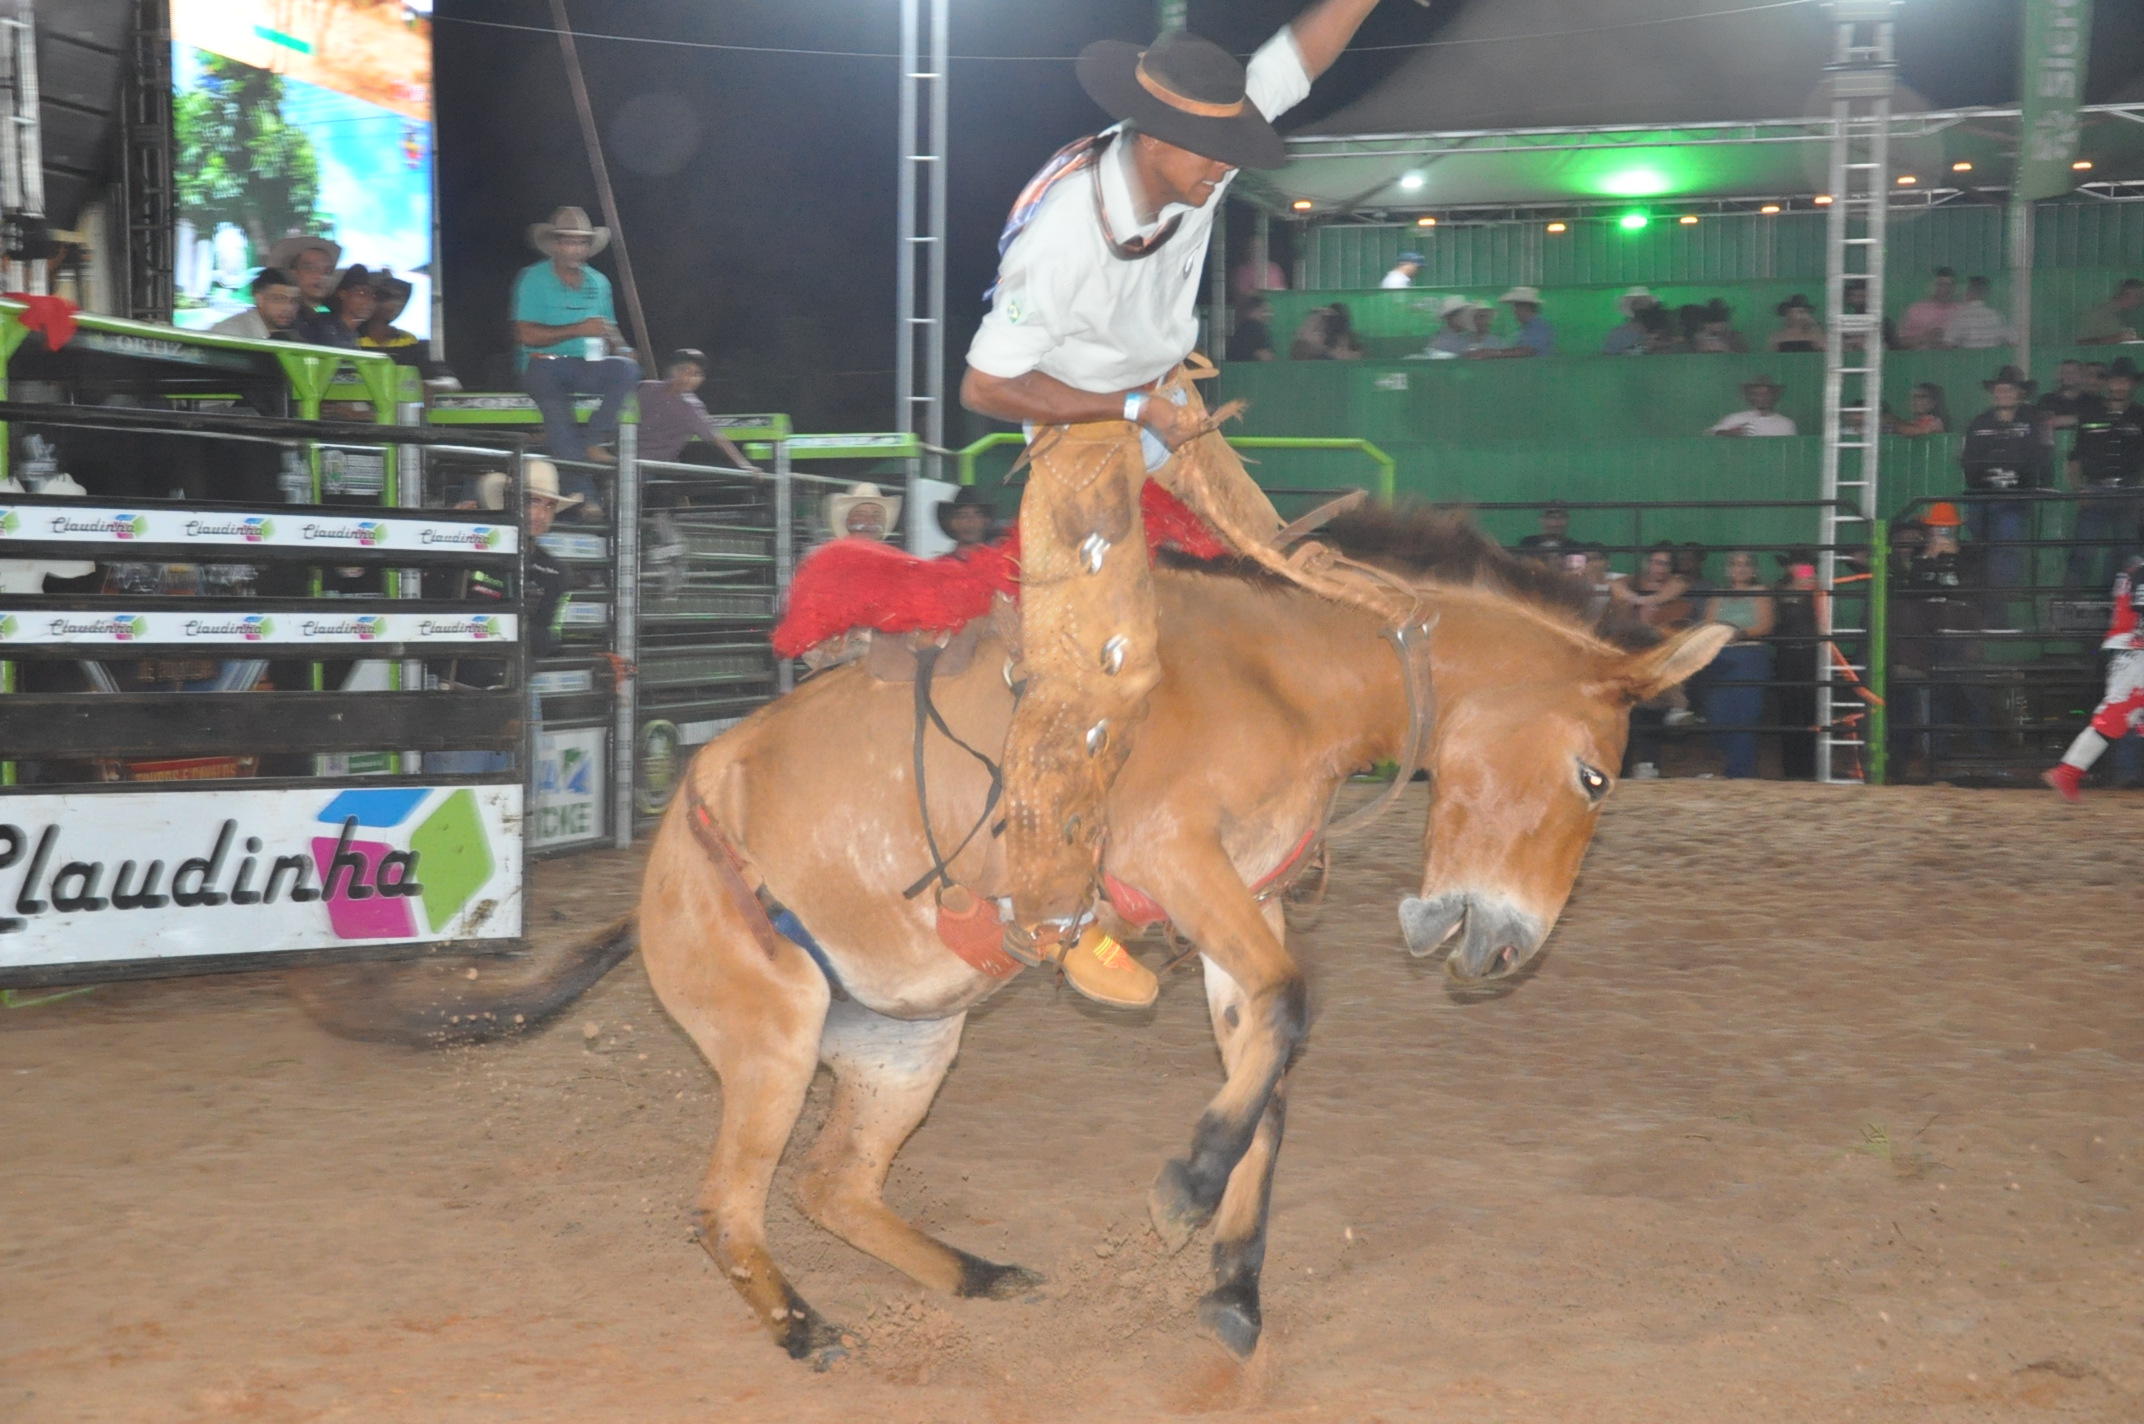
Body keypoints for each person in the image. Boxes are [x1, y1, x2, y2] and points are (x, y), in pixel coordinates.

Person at [960, 0, 1397, 1007]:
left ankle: (1275, 821)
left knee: (1293, 572)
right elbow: (985, 385)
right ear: (1154, 139)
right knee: (1099, 671)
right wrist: (1123, 408)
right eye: (1211, 157)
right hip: (1076, 426)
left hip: (1163, 394)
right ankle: (1054, 911)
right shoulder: (1061, 238)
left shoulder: (1199, 145)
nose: (1224, 172)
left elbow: (1299, 55)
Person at [513, 205, 642, 481]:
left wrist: (622, 349)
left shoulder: (599, 281)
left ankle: (594, 440)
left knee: (627, 369)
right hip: (543, 365)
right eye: (569, 242)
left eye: (582, 243)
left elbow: (608, 326)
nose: (576, 249)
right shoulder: (532, 278)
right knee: (560, 421)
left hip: (587, 364)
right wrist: (577, 329)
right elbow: (526, 335)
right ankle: (584, 494)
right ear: (555, 245)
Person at [1959, 365, 2053, 627]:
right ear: (1994, 392)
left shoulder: (2034, 420)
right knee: (1983, 550)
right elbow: (1968, 461)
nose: (2004, 393)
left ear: (2020, 392)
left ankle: (1997, 611)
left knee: (2004, 546)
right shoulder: (1979, 422)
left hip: (2015, 497)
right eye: (2000, 388)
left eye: (2010, 389)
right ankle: (1990, 611)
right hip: (1981, 496)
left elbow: (2042, 456)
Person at [2044, 556, 2144, 801]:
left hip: (2129, 648)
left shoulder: (2135, 566)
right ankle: (2067, 772)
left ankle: (2068, 772)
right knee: (2116, 715)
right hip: (2134, 651)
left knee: (2123, 715)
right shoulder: (2140, 569)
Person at [2064, 356, 2144, 590]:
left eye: (2124, 381)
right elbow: (2075, 456)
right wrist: (2078, 489)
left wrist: (2141, 491)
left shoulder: (2140, 416)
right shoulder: (2090, 413)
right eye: (2116, 381)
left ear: (2132, 384)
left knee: (2127, 553)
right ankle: (2070, 603)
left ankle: (2119, 604)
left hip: (2129, 489)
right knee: (2083, 550)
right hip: (2094, 488)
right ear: (2108, 383)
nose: (2119, 386)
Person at [1701, 550, 1776, 779]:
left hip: (1750, 656)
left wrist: (1737, 633)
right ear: (1728, 569)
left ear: (1753, 570)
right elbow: (1708, 624)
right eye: (1735, 563)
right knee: (1718, 717)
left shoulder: (1760, 592)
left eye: (1745, 564)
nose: (1740, 568)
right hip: (1720, 657)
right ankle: (1738, 766)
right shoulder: (1719, 594)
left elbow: (1765, 625)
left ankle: (1740, 773)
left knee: (1745, 716)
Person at [634, 349, 762, 469]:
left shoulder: (692, 408)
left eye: (696, 374)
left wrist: (744, 465)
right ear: (671, 370)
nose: (687, 377)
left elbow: (717, 438)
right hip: (625, 456)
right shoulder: (645, 389)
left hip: (651, 468)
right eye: (683, 370)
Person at [1770, 551, 1820, 779]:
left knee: (1811, 710)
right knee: (1788, 710)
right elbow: (1773, 622)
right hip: (1787, 654)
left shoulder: (1817, 588)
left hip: (1810, 654)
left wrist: (1813, 590)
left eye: (1804, 565)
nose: (1801, 569)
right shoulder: (1778, 589)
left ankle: (1810, 768)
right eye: (1796, 564)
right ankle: (1791, 769)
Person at [264, 234, 353, 348]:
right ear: (293, 272)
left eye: (328, 271)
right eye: (312, 268)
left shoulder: (330, 323)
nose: (321, 276)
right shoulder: (282, 318)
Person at [209, 267, 301, 341]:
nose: (288, 308)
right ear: (259, 299)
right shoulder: (232, 333)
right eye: (279, 299)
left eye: (294, 301)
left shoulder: (295, 335)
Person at [358, 268, 426, 367]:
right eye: (389, 297)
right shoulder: (352, 339)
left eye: (402, 299)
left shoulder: (407, 340)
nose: (398, 304)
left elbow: (422, 373)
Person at [1465, 286, 1551, 359]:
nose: (1514, 312)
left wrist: (1494, 353)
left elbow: (1527, 351)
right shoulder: (1527, 328)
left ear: (1524, 308)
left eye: (1516, 308)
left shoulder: (1538, 327)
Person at [1708, 375, 1796, 436]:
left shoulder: (1786, 423)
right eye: (1756, 394)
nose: (1760, 398)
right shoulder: (1736, 418)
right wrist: (1727, 433)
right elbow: (1709, 434)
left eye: (1765, 394)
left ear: (1774, 396)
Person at [1941, 275, 2012, 350]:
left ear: (1969, 292)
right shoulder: (1997, 316)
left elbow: (1948, 344)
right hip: (1995, 357)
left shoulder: (1960, 316)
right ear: (1985, 293)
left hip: (1968, 357)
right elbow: (2013, 341)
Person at [1898, 267, 1961, 350]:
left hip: (1953, 357)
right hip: (1920, 357)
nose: (1945, 289)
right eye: (1941, 284)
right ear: (1932, 286)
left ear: (1954, 287)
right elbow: (1900, 342)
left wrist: (1948, 338)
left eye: (1949, 285)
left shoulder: (1961, 311)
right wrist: (1925, 338)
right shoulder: (1916, 310)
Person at [2077, 277, 2144, 346]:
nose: (2141, 301)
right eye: (2139, 296)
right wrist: (2117, 338)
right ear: (2124, 295)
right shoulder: (2096, 315)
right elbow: (2081, 343)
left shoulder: (2127, 316)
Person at [824, 482, 900, 541]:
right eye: (861, 515)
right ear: (848, 522)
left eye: (877, 516)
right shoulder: (833, 554)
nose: (870, 521)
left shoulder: (891, 555)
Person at [327, 265, 377, 346]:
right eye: (361, 293)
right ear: (343, 294)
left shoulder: (366, 336)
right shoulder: (324, 331)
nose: (370, 300)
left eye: (374, 296)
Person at [2038, 359, 2093, 429]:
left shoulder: (2093, 401)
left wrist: (2075, 420)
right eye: (2064, 372)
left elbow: (2096, 420)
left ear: (2082, 376)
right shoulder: (2046, 400)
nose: (2068, 375)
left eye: (2074, 372)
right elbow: (2039, 422)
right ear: (2058, 376)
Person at [1602, 288, 1658, 356]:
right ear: (1631, 307)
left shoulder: (1660, 331)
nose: (1641, 308)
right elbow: (1608, 356)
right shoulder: (1618, 334)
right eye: (1637, 304)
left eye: (1644, 304)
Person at [1883, 382, 1949, 436]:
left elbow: (1913, 430)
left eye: (1921, 397)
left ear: (1933, 402)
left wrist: (1893, 423)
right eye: (1913, 397)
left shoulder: (1935, 422)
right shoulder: (1916, 422)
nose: (1914, 400)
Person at [1227, 295, 1276, 361]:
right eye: (1265, 311)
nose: (1269, 315)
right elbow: (1265, 356)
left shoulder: (1241, 329)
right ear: (1255, 310)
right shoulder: (1255, 328)